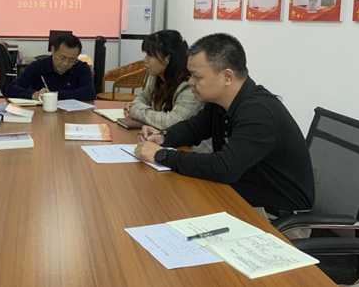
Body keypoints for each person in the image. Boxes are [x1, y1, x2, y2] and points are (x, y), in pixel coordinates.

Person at [134, 33, 315, 224]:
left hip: (275, 216)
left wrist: (161, 155)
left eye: (196, 76)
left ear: (227, 76)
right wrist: (163, 136)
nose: (190, 82)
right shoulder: (220, 102)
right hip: (237, 195)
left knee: (171, 215)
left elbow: (224, 167)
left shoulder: (258, 112)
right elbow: (193, 129)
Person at [5, 33, 95, 100]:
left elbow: (90, 92)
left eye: (72, 60)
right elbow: (11, 89)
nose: (65, 63)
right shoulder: (38, 66)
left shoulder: (81, 68)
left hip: (72, 115)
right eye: (62, 57)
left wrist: (56, 95)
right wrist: (34, 94)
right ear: (52, 50)